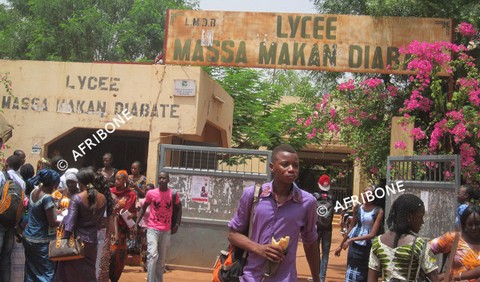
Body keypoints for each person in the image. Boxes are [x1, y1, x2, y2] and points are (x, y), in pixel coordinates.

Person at [227, 144, 321, 282]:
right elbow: (232, 234)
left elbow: (310, 243)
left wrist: (316, 278)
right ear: (272, 167)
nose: (291, 169)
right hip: (250, 276)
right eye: (285, 164)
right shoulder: (253, 195)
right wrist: (259, 249)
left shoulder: (307, 202)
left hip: (284, 278)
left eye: (295, 166)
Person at [368, 194, 439, 282]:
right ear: (410, 216)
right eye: (420, 217)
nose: (422, 222)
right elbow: (435, 278)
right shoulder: (419, 245)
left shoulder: (377, 243)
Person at [54, 168, 107, 282]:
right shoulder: (102, 198)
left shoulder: (77, 198)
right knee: (88, 273)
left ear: (80, 182)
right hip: (92, 241)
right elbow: (99, 222)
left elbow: (70, 224)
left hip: (76, 242)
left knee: (69, 274)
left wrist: (64, 241)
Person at [135, 172, 182, 282]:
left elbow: (179, 208)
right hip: (152, 228)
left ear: (168, 180)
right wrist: (137, 222)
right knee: (153, 255)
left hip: (166, 230)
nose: (161, 180)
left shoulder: (173, 194)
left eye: (164, 178)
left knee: (161, 260)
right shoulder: (151, 193)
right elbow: (144, 207)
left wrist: (177, 224)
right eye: (159, 178)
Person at [335, 185, 384, 282]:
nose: (366, 196)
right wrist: (340, 245)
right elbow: (351, 226)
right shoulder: (357, 208)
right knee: (351, 272)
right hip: (354, 247)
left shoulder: (378, 211)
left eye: (369, 194)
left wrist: (351, 239)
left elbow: (372, 234)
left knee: (365, 273)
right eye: (364, 193)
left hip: (368, 247)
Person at [22, 169, 60, 282]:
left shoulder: (34, 192)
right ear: (53, 184)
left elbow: (38, 212)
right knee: (46, 271)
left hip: (29, 236)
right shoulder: (47, 198)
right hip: (41, 240)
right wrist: (64, 220)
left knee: (31, 269)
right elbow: (52, 222)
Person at [430, 203, 480, 281]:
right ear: (464, 225)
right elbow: (425, 250)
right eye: (470, 224)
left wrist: (459, 276)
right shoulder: (454, 238)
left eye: (478, 224)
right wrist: (432, 271)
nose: (474, 228)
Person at [0, 155, 27, 282]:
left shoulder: (1, 175)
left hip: (0, 220)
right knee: (6, 258)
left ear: (6, 164)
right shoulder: (21, 181)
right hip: (12, 223)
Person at [109, 170, 136, 282]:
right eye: (115, 178)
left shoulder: (130, 194)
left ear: (125, 180)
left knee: (119, 256)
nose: (116, 181)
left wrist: (131, 214)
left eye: (119, 179)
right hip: (111, 226)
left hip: (123, 228)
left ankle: (115, 278)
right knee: (111, 253)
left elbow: (134, 211)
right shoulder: (110, 192)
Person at [309, 174, 337, 282]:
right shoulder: (332, 198)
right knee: (325, 253)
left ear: (318, 184)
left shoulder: (314, 197)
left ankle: (315, 276)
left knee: (315, 253)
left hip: (316, 228)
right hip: (328, 228)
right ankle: (322, 277)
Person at [94, 173, 115, 282]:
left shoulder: (97, 198)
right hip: (104, 234)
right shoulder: (108, 198)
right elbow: (110, 220)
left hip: (96, 233)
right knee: (102, 264)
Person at [137, 183, 155, 272]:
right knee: (144, 246)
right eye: (146, 190)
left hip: (153, 226)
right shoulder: (142, 201)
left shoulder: (156, 202)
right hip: (144, 226)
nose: (148, 192)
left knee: (152, 246)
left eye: (150, 190)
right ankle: (143, 264)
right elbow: (139, 213)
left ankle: (151, 264)